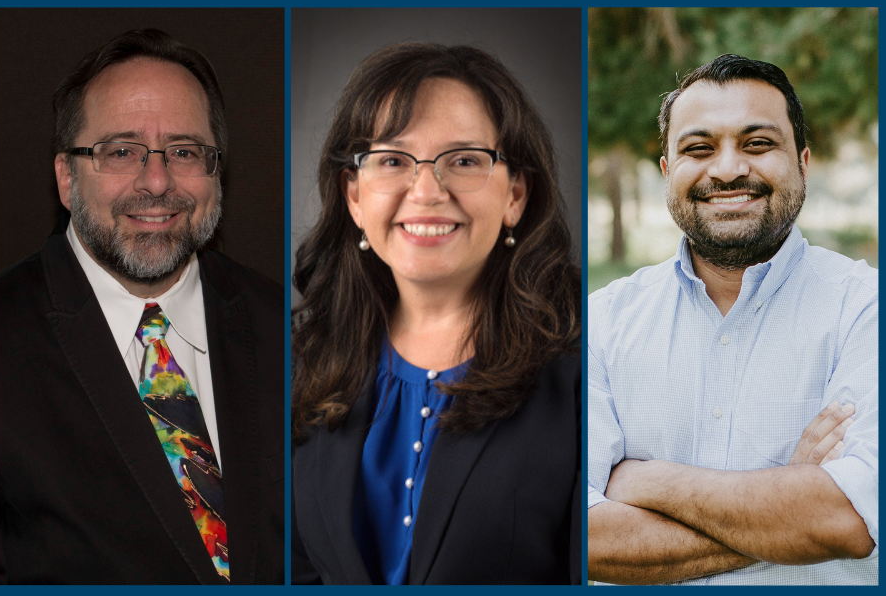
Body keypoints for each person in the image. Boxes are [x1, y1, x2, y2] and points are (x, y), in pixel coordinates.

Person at [0, 29, 284, 585]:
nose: (157, 181)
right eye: (121, 151)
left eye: (183, 151)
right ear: (65, 176)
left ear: (216, 170)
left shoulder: (285, 325)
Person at [291, 43, 581, 585]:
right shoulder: (302, 359)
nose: (426, 192)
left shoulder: (582, 365)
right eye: (393, 160)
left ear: (516, 194)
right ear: (353, 195)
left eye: (465, 160)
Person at [588, 54, 877, 585]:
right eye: (698, 149)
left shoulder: (867, 311)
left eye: (758, 144)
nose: (727, 169)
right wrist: (788, 505)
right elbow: (582, 539)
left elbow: (848, 520)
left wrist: (649, 482)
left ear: (804, 163)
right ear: (667, 171)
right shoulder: (602, 323)